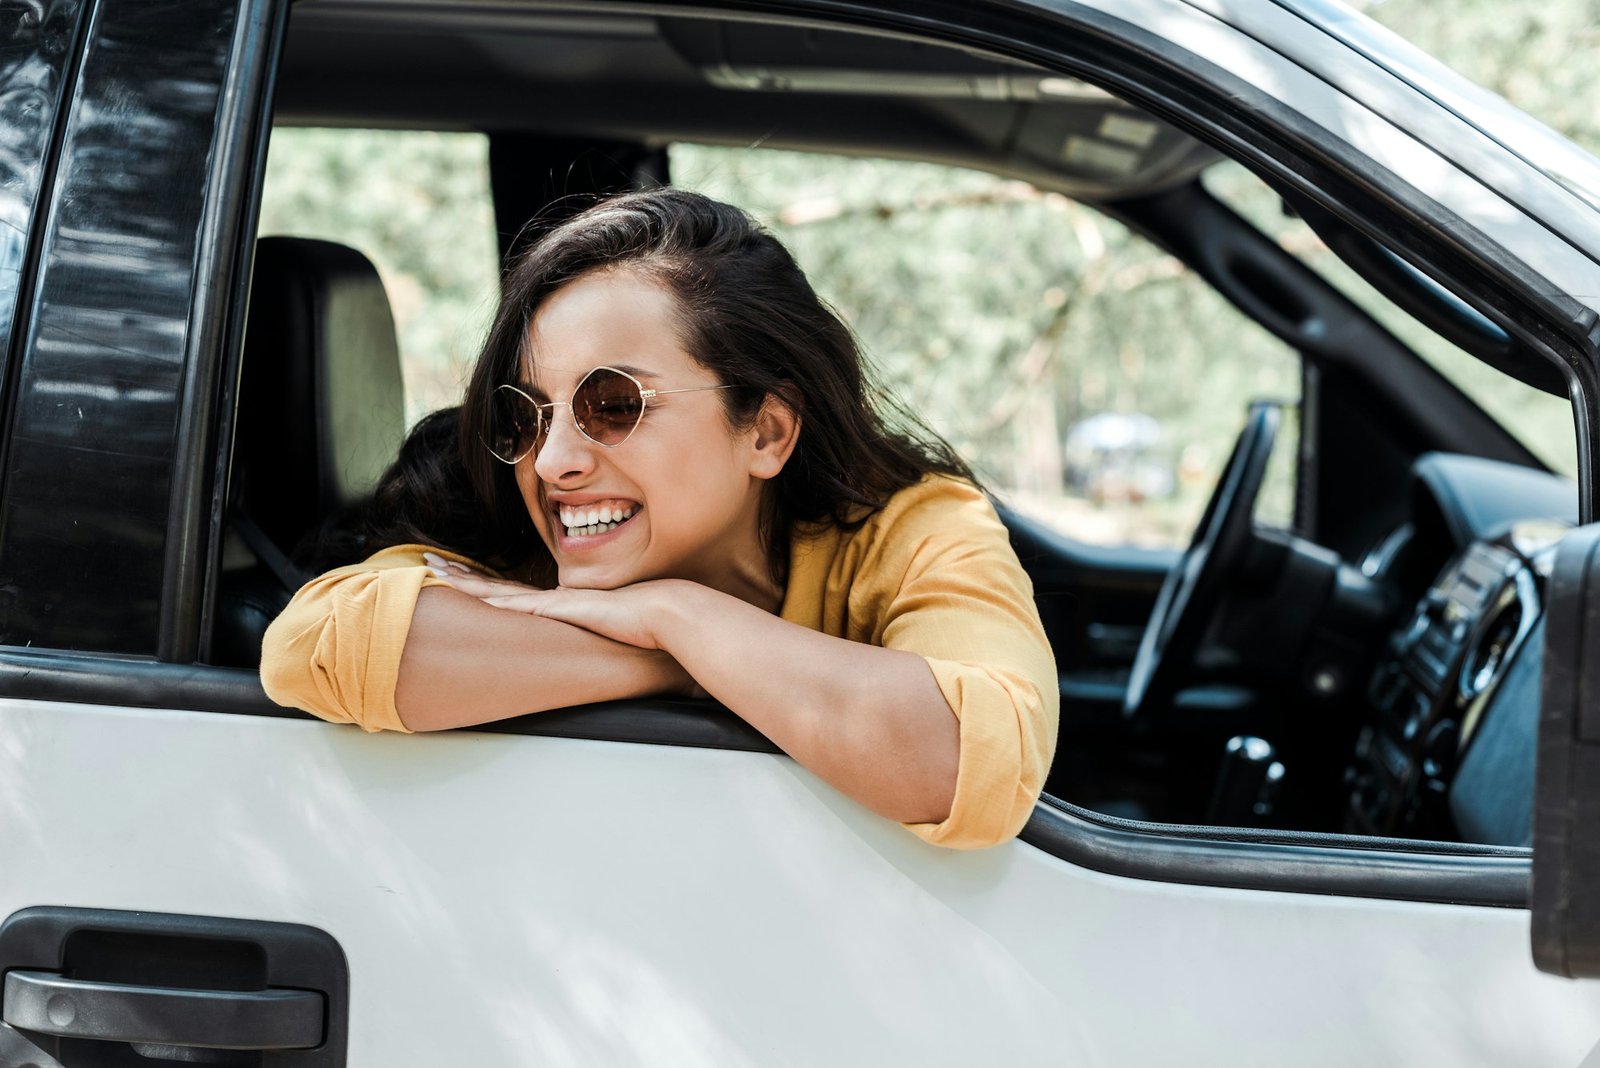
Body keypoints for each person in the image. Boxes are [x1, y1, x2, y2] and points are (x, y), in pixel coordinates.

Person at [260, 189, 1058, 849]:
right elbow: (313, 649)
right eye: (528, 415)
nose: (550, 462)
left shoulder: (911, 528)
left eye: (612, 404)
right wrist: (684, 655)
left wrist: (679, 613)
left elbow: (973, 757)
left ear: (767, 432)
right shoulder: (493, 514)